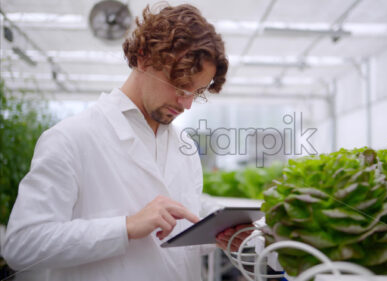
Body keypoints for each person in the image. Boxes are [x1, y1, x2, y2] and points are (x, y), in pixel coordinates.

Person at [3, 3, 252, 281]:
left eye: (196, 92)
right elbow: (22, 245)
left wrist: (217, 235)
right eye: (180, 84)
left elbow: (177, 234)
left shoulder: (184, 147)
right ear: (144, 58)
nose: (187, 104)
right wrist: (126, 227)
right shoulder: (70, 138)